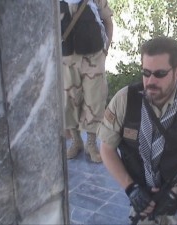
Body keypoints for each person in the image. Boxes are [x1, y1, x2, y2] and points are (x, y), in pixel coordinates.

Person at [97, 36, 177, 224]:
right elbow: (107, 148)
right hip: (144, 184)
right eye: (146, 72)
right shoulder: (125, 100)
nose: (150, 81)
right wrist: (131, 188)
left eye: (159, 74)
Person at [60, 0, 113, 163]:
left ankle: (91, 144)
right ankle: (76, 142)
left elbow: (108, 22)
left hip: (94, 57)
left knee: (95, 99)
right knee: (68, 100)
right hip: (66, 58)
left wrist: (106, 49)